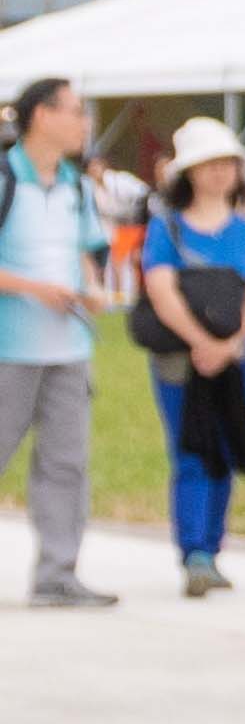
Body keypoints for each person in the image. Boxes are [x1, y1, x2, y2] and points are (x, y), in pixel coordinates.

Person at [134, 117, 245, 596]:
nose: (218, 173)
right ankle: (193, 551)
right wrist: (202, 341)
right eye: (208, 164)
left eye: (225, 163)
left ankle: (212, 549)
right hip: (181, 361)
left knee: (227, 447)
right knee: (191, 449)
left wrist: (230, 345)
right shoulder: (166, 229)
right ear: (189, 172)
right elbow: (161, 290)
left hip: (240, 359)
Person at [5, 74, 109, 607]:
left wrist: (91, 288)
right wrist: (31, 288)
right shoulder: (4, 177)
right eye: (76, 111)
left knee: (67, 464)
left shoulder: (75, 184)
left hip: (69, 348)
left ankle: (57, 575)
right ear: (43, 115)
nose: (84, 122)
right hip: (9, 348)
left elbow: (87, 250)